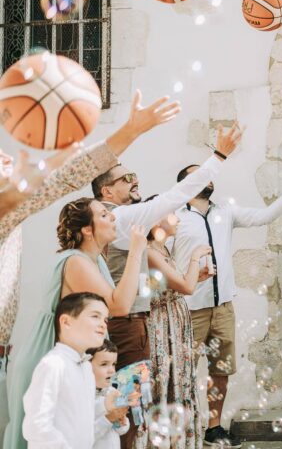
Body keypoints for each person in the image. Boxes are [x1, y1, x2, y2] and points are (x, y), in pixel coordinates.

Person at [0, 90, 179, 442]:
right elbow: (64, 178)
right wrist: (130, 131)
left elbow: (60, 177)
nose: (9, 159)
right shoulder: (10, 214)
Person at [91, 123, 241, 449]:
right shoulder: (120, 218)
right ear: (106, 191)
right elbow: (175, 197)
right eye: (126, 179)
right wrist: (218, 156)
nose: (135, 181)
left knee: (133, 403)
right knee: (131, 404)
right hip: (126, 322)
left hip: (132, 320)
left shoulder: (117, 218)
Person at [172, 160, 282, 447]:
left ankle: (213, 428)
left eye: (209, 175)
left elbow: (264, 216)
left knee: (220, 370)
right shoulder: (174, 217)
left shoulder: (226, 211)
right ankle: (181, 431)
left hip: (223, 306)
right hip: (189, 308)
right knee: (182, 372)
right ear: (185, 185)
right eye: (199, 175)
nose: (208, 179)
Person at [4, 196, 147, 449]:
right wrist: (136, 249)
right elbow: (120, 305)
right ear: (87, 229)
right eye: (104, 214)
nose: (113, 217)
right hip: (47, 354)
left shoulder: (94, 259)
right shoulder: (75, 261)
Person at [145, 203, 212, 448]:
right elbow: (187, 287)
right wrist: (195, 258)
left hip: (176, 318)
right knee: (166, 379)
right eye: (171, 214)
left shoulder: (162, 249)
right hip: (163, 323)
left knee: (180, 378)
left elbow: (179, 283)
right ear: (156, 222)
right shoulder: (149, 250)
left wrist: (197, 274)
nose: (177, 219)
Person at [21, 292, 110, 448]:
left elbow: (81, 420)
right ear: (66, 322)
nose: (103, 324)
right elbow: (37, 425)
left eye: (105, 319)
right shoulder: (53, 365)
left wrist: (107, 406)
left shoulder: (86, 367)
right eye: (95, 316)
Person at [88, 340, 130, 449]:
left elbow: (122, 431)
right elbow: (83, 437)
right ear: (86, 366)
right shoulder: (83, 398)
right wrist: (108, 419)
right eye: (104, 364)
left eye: (113, 364)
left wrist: (121, 421)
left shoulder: (112, 392)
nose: (112, 371)